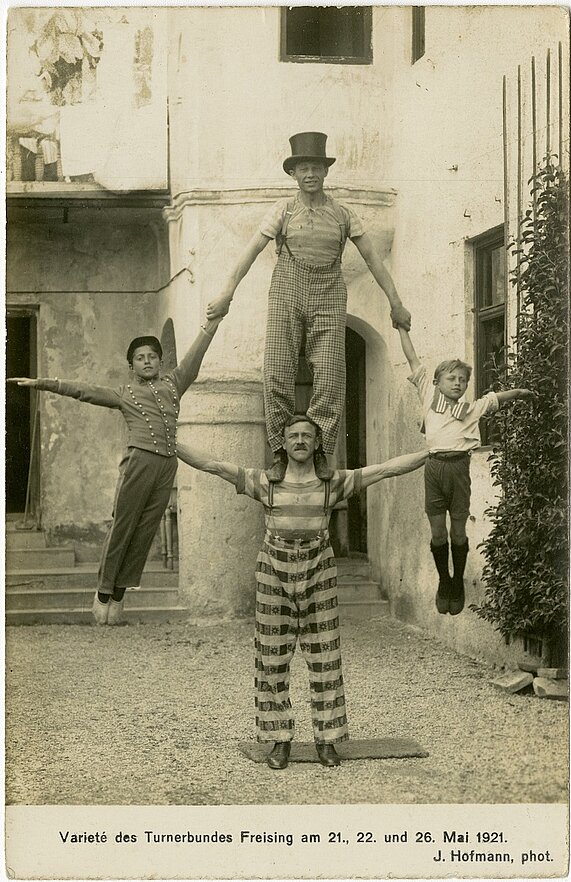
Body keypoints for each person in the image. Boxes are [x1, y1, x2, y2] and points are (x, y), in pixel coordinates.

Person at [177, 415, 427, 769]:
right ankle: (279, 742)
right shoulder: (265, 482)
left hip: (318, 570)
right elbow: (213, 465)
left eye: (306, 436)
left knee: (325, 656)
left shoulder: (333, 483)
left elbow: (386, 470)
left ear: (317, 443)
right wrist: (168, 445)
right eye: (292, 435)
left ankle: (327, 741)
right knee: (272, 658)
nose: (299, 441)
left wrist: (436, 450)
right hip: (273, 573)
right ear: (283, 443)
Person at [206, 131, 412, 483]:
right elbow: (251, 251)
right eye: (303, 168)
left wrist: (396, 303)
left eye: (316, 167)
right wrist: (226, 293)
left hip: (329, 290)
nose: (310, 174)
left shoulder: (344, 215)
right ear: (294, 174)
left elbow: (374, 260)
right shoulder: (283, 210)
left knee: (331, 375)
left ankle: (320, 452)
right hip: (287, 286)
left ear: (325, 172)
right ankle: (279, 453)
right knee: (276, 371)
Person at [8, 317, 222, 626]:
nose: (147, 361)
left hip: (166, 466)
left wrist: (211, 323)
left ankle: (119, 594)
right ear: (131, 366)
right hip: (139, 463)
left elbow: (196, 354)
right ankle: (103, 593)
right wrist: (42, 383)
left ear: (160, 361)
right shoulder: (125, 393)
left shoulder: (175, 383)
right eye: (140, 358)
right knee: (123, 527)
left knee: (145, 531)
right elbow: (83, 391)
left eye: (151, 356)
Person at [397, 326, 534, 616]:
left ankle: (457, 580)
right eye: (452, 378)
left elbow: (496, 398)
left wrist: (521, 392)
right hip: (434, 468)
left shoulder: (470, 409)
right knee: (437, 532)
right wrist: (401, 327)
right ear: (436, 382)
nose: (458, 383)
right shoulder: (427, 397)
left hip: (459, 469)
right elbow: (411, 358)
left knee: (457, 530)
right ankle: (443, 580)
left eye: (463, 380)